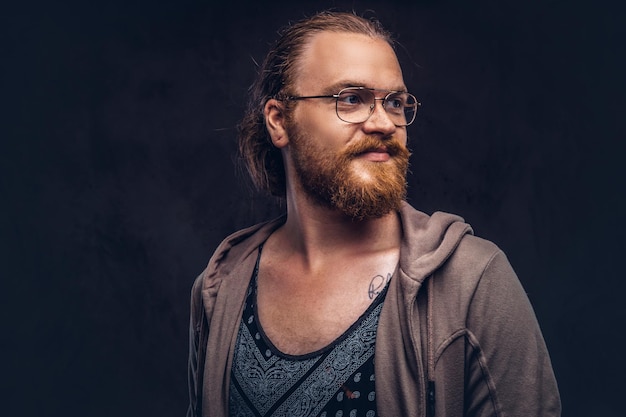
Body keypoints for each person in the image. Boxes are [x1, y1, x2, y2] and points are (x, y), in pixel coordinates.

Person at [187, 10, 561, 417]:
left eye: (396, 103)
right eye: (351, 99)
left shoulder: (470, 282)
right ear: (279, 121)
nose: (384, 123)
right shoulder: (221, 288)